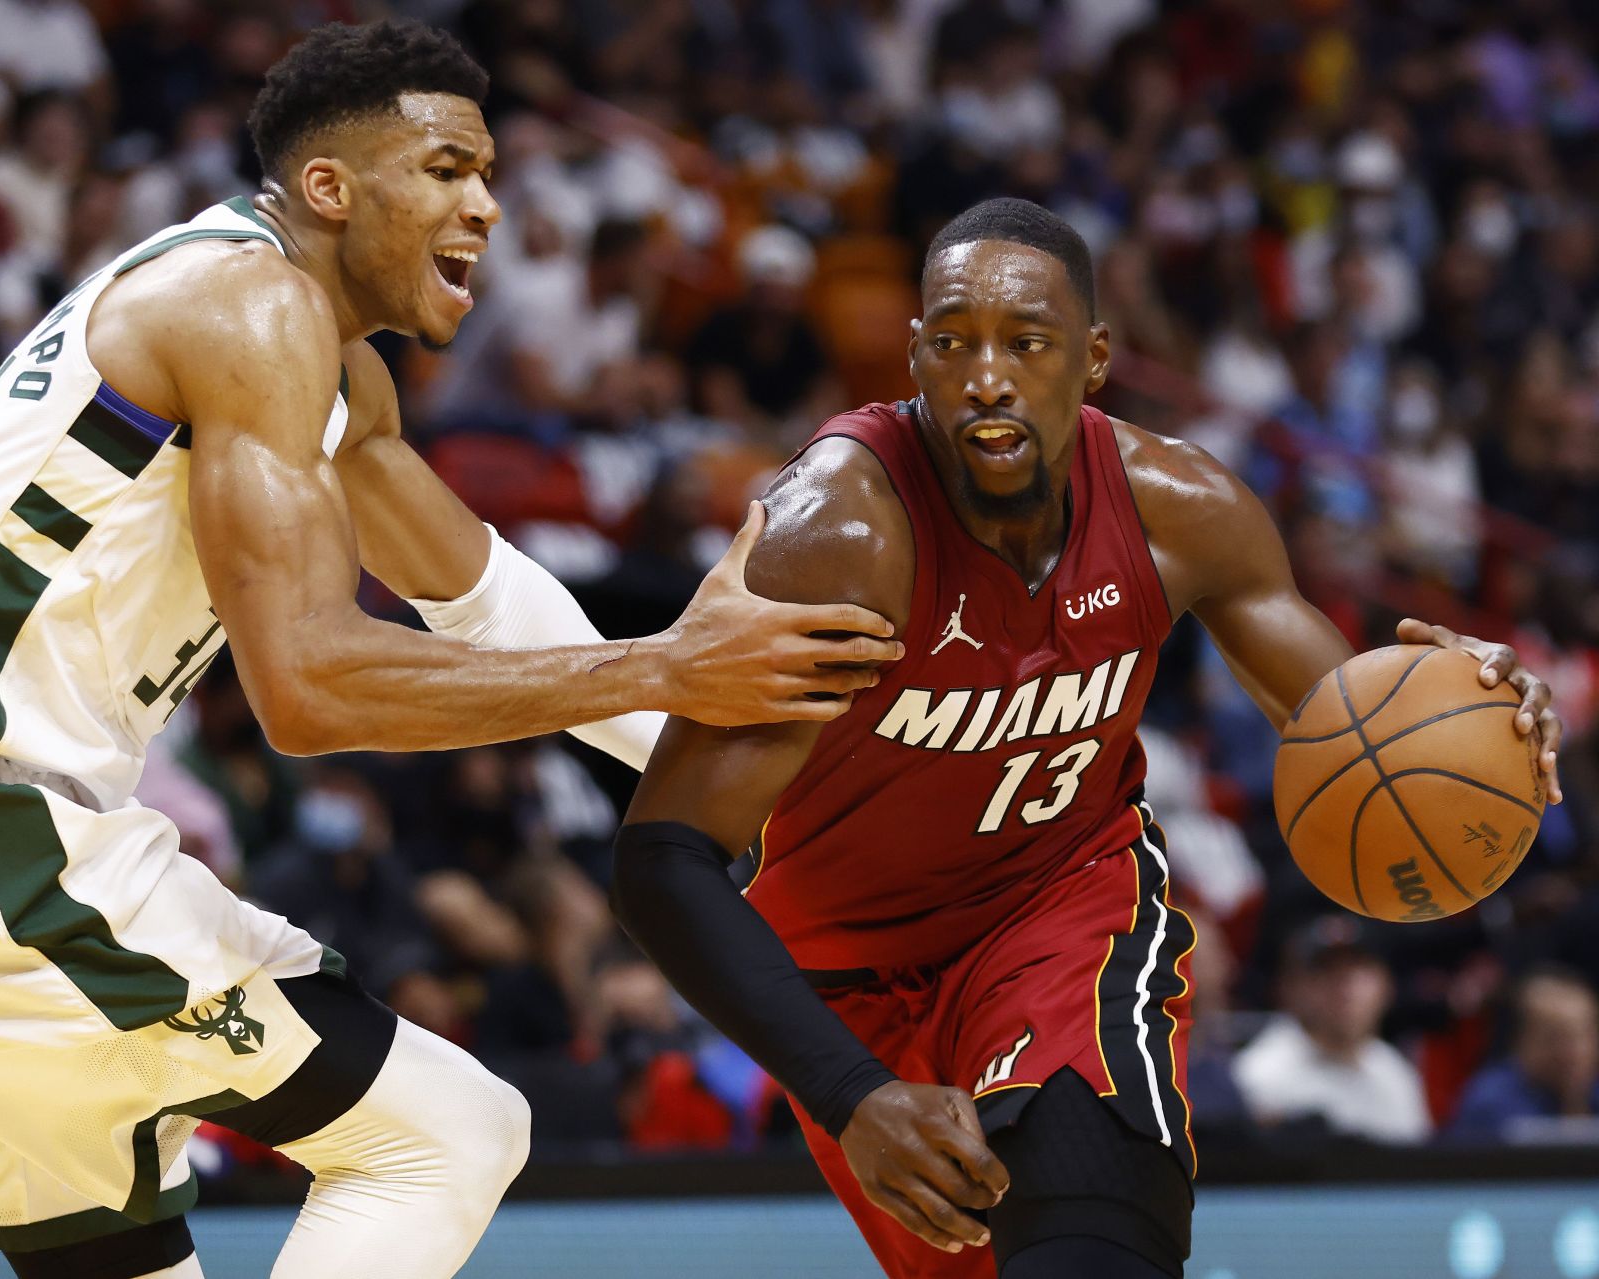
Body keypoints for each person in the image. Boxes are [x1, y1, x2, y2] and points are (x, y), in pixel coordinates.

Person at [0, 21, 899, 1279]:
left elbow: (488, 602)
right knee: (447, 1135)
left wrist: (795, 790)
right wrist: (665, 671)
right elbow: (307, 683)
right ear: (333, 189)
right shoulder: (252, 306)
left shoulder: (328, 365)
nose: (490, 207)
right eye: (450, 170)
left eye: (492, 174)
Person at [610, 197, 1562, 1279]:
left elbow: (1355, 730)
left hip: (1064, 912)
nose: (987, 375)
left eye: (1027, 342)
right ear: (914, 357)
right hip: (846, 977)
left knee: (1091, 1246)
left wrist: (1470, 706)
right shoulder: (840, 537)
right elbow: (663, 858)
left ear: (1095, 358)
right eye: (953, 342)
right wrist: (851, 1090)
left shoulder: (1180, 509)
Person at [1230, 917, 1431, 1144]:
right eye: (1326, 971)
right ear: (1289, 987)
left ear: (1387, 985)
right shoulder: (1260, 1073)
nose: (1345, 988)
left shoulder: (1396, 1073)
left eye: (1358, 969)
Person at [1448, 966, 1599, 1141]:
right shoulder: (1490, 1105)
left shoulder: (1592, 1093)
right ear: (1522, 1040)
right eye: (1556, 1038)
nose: (1575, 1051)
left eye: (1584, 1035)